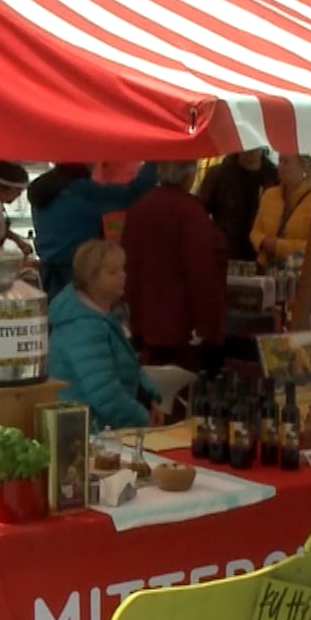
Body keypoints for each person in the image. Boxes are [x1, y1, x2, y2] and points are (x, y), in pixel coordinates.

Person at [121, 161, 227, 374]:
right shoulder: (191, 213)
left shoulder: (138, 208)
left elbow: (127, 263)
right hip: (181, 326)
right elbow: (202, 273)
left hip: (142, 319)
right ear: (189, 176)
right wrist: (211, 328)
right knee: (181, 393)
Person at [47, 239, 162, 430]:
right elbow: (105, 394)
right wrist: (142, 419)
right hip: (86, 433)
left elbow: (130, 367)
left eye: (123, 269)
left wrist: (149, 398)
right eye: (113, 272)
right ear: (90, 278)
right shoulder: (83, 327)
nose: (123, 276)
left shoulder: (101, 315)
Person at [28, 162, 156, 299]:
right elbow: (131, 194)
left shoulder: (42, 189)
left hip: (49, 274)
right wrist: (154, 161)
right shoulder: (82, 190)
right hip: (78, 272)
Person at [196, 149, 277, 263]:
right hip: (224, 255)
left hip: (262, 256)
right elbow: (198, 214)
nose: (251, 148)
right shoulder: (219, 174)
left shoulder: (274, 177)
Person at [249, 153, 311, 267]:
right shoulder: (269, 195)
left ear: (303, 167)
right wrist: (262, 241)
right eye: (280, 161)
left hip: (299, 270)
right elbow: (255, 232)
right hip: (265, 268)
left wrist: (278, 246)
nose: (280, 166)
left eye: (286, 162)